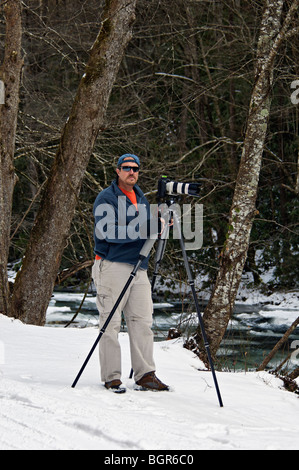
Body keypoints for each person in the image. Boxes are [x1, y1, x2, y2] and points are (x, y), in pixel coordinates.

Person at [92, 154, 169, 393]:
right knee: (111, 322)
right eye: (126, 168)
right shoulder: (107, 197)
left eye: (135, 168)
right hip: (112, 265)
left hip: (139, 267)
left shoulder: (142, 199)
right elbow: (108, 232)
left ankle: (145, 374)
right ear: (117, 171)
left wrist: (163, 224)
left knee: (142, 321)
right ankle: (112, 377)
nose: (131, 172)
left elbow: (146, 230)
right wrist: (145, 227)